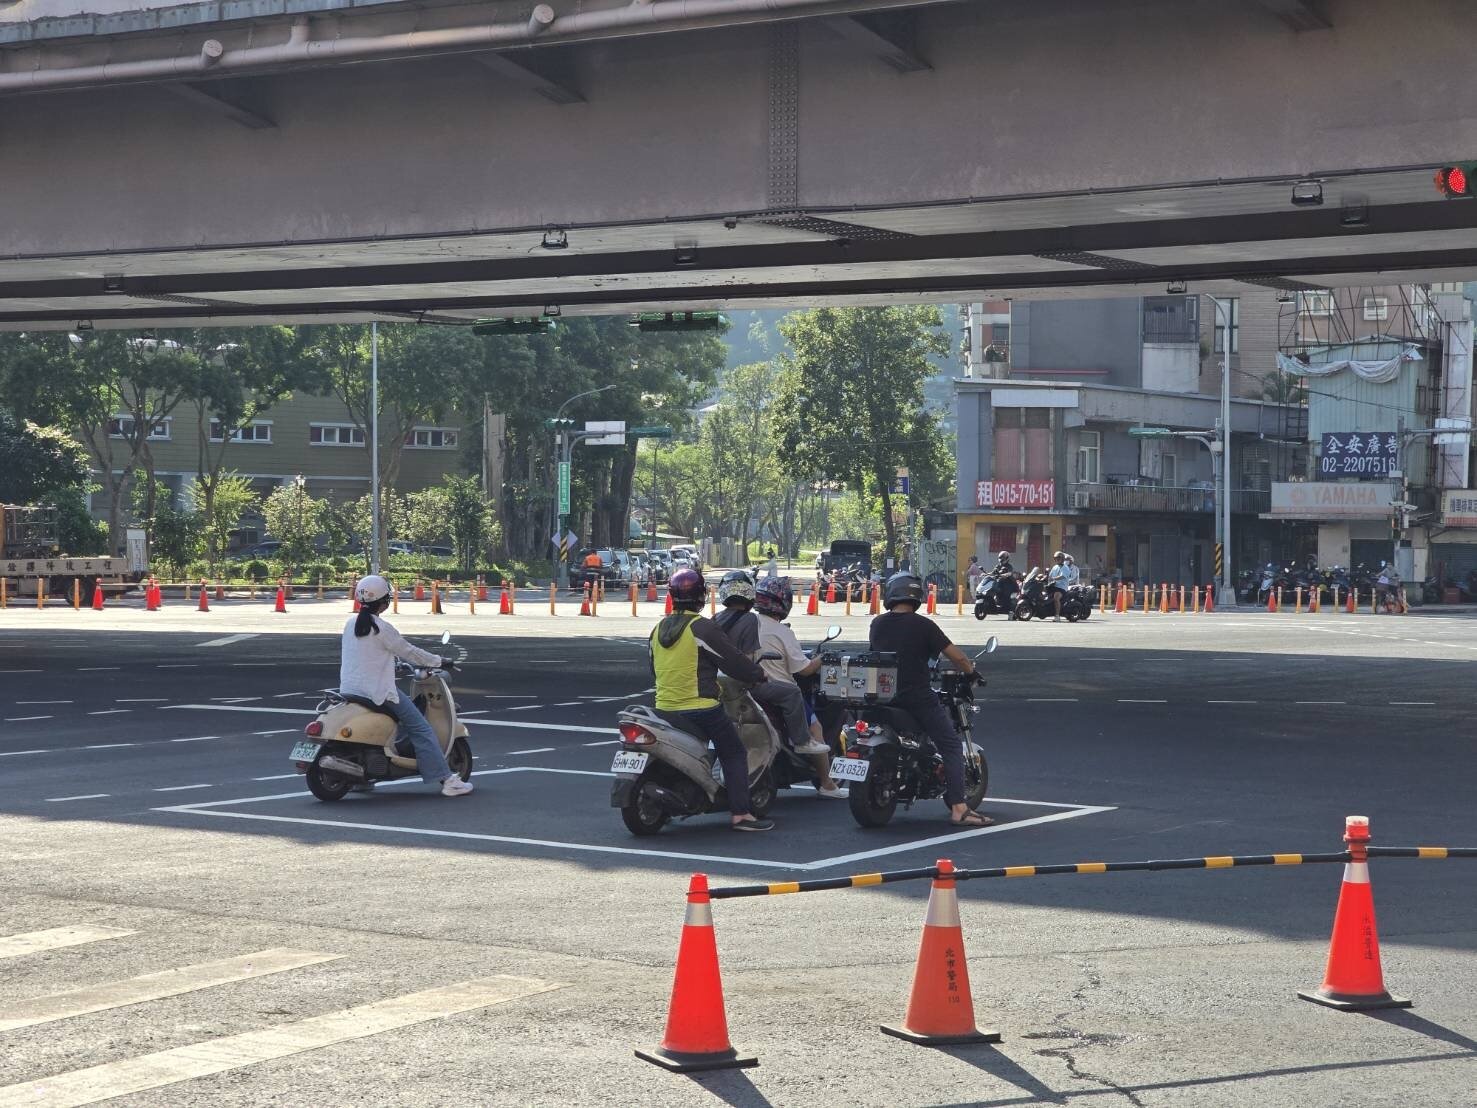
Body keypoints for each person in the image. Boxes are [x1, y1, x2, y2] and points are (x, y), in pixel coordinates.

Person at [649, 569, 774, 831]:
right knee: (734, 751)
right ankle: (741, 813)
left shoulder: (657, 629)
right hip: (700, 708)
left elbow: (653, 667)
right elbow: (732, 661)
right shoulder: (702, 627)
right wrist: (757, 674)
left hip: (663, 709)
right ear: (701, 597)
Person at [869, 573, 990, 827]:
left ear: (891, 594)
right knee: (951, 744)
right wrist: (971, 672)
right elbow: (956, 656)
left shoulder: (877, 624)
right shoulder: (923, 626)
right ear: (916, 597)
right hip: (916, 697)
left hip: (882, 696)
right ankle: (959, 807)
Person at [339, 575, 472, 797]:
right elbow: (410, 652)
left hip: (350, 689)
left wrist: (393, 663)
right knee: (420, 728)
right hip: (378, 692)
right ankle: (448, 780)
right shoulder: (381, 627)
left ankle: (361, 778)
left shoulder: (351, 624)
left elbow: (367, 655)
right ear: (384, 602)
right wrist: (440, 661)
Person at [753, 578, 844, 797]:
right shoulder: (782, 631)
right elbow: (804, 670)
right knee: (816, 727)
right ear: (783, 602)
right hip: (780, 692)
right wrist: (822, 659)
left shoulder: (748, 624)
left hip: (748, 689)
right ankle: (826, 783)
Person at [1047, 550, 1072, 621]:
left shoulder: (1065, 567)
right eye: (1056, 558)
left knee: (1056, 597)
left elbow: (1062, 576)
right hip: (1053, 586)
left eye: (1058, 558)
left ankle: (1057, 616)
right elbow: (1050, 576)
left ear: (1062, 559)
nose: (1057, 559)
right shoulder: (1055, 567)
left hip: (1061, 588)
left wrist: (1054, 578)